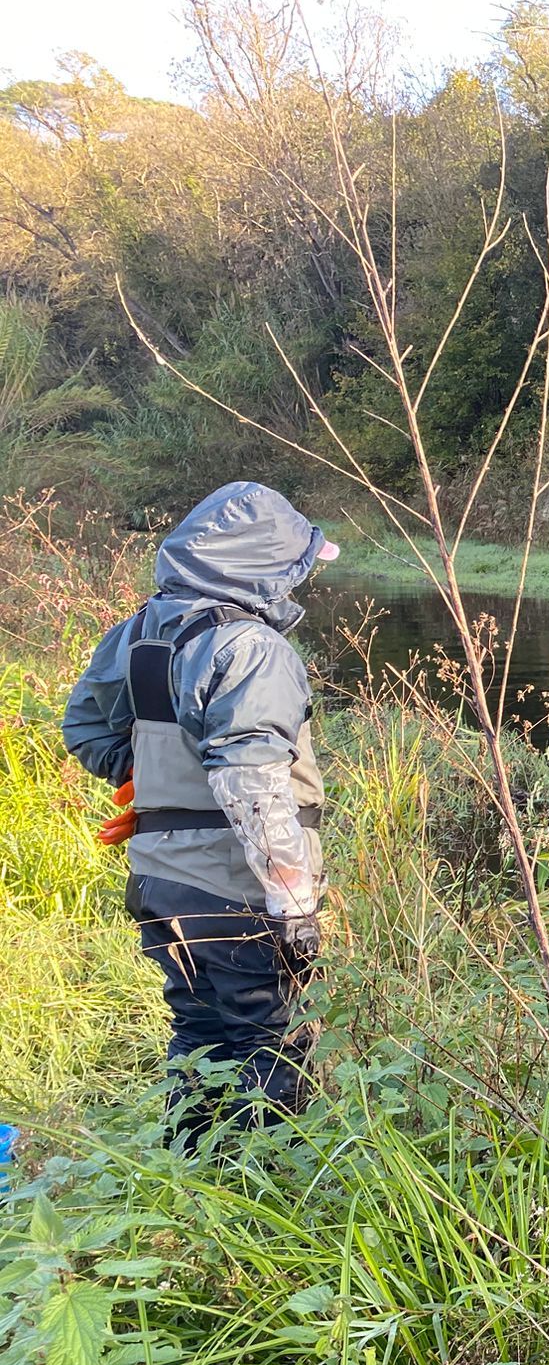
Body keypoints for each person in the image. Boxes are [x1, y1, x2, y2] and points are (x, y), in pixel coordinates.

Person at [63, 482, 336, 1146]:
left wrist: (152, 781)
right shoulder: (253, 649)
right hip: (234, 890)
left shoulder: (139, 631)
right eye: (296, 566)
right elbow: (253, 783)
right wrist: (294, 903)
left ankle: (191, 1176)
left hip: (159, 880)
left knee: (200, 1033)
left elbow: (87, 732)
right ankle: (271, 1200)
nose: (300, 580)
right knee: (272, 1045)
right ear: (259, 564)